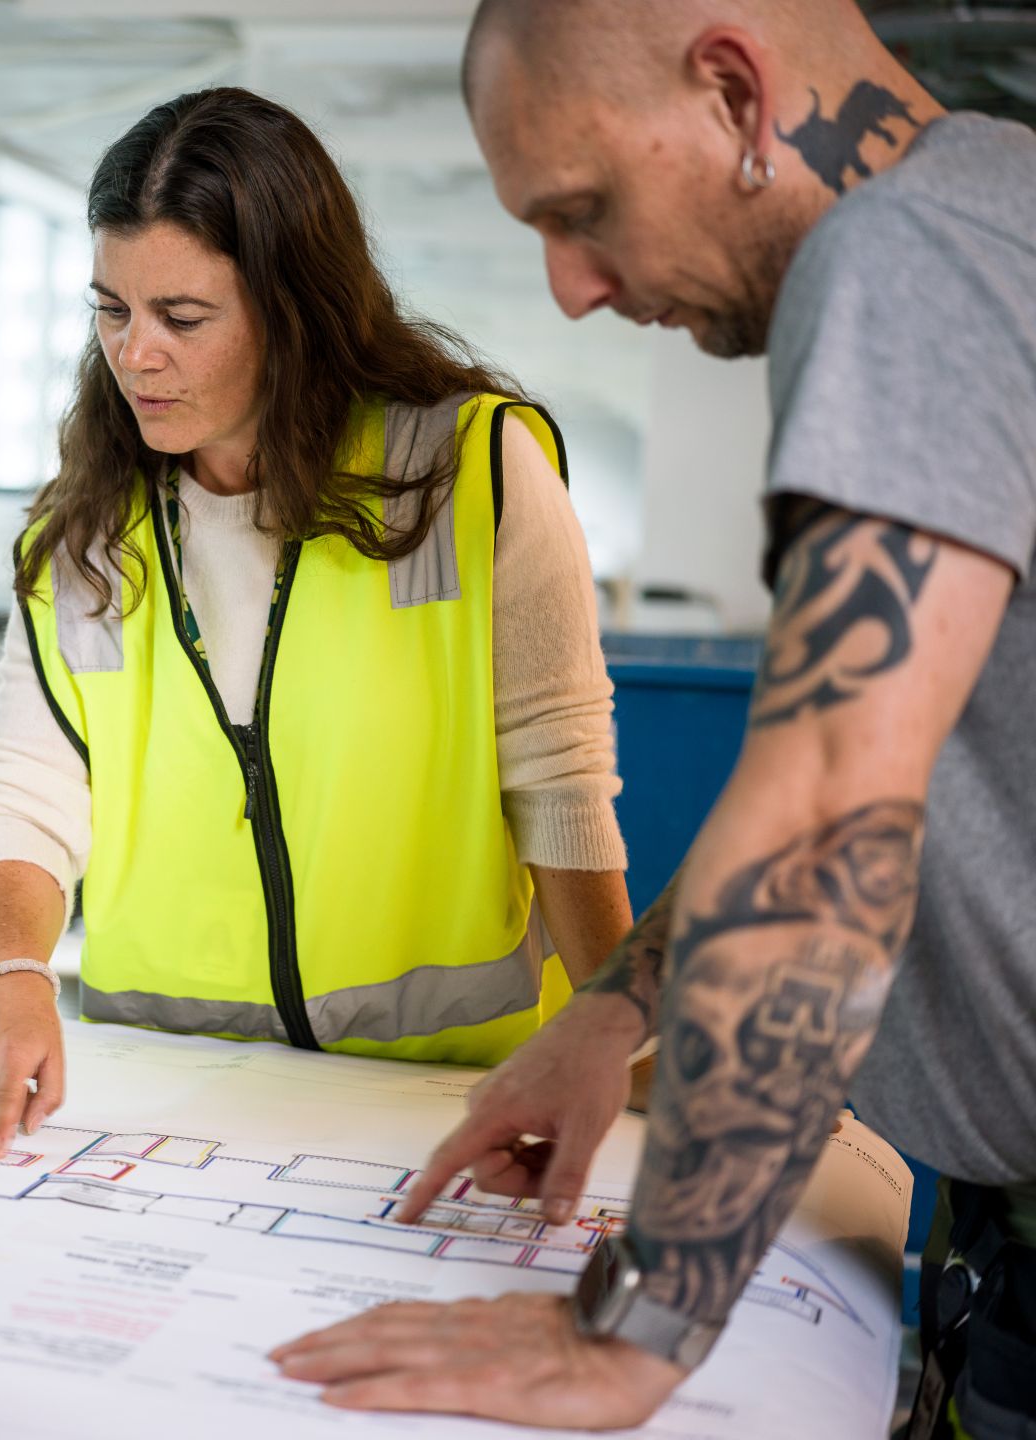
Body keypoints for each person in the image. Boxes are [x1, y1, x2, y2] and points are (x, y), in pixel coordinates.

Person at [268, 3, 1036, 1436]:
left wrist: (637, 1324)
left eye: (583, 210)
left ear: (735, 92)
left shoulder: (906, 258)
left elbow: (832, 800)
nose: (571, 290)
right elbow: (905, 753)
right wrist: (619, 1006)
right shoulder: (1000, 210)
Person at [0, 86, 635, 1158]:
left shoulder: (468, 473)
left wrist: (627, 1044)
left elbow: (561, 785)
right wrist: (10, 972)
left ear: (294, 308)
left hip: (438, 1097)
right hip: (167, 1099)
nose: (135, 354)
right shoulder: (86, 527)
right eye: (111, 310)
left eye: (182, 318)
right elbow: (23, 788)